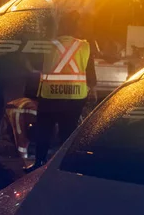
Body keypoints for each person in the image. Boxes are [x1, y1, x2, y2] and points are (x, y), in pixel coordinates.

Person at [23, 10, 97, 173]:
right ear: (76, 28)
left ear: (59, 27)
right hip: (75, 98)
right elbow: (90, 71)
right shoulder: (84, 46)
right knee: (68, 134)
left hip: (50, 98)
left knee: (44, 132)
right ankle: (66, 166)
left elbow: (34, 67)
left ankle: (39, 163)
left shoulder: (48, 46)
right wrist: (92, 88)